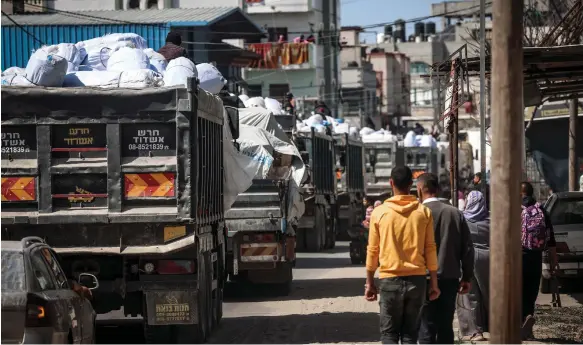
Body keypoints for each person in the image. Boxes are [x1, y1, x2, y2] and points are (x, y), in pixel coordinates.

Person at [365, 166, 440, 344]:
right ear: (411, 185)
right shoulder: (423, 213)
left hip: (390, 280)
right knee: (409, 335)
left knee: (389, 334)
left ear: (391, 183)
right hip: (417, 281)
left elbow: (372, 250)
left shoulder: (379, 213)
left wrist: (369, 282)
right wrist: (434, 283)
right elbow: (430, 248)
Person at [417, 173, 474, 344]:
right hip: (449, 277)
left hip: (422, 278)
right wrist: (467, 277)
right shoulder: (455, 213)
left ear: (419, 189)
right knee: (445, 326)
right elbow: (468, 249)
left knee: (425, 327)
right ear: (438, 189)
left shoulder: (416, 214)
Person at [520, 181, 558, 340]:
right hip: (535, 256)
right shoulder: (541, 209)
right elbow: (551, 239)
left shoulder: (515, 209)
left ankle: (520, 323)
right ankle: (528, 321)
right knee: (531, 291)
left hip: (519, 256)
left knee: (518, 291)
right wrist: (554, 261)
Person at [458, 190, 490, 342]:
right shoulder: (490, 220)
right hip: (489, 259)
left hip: (468, 259)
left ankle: (474, 330)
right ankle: (494, 325)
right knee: (488, 293)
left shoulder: (462, 219)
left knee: (469, 295)